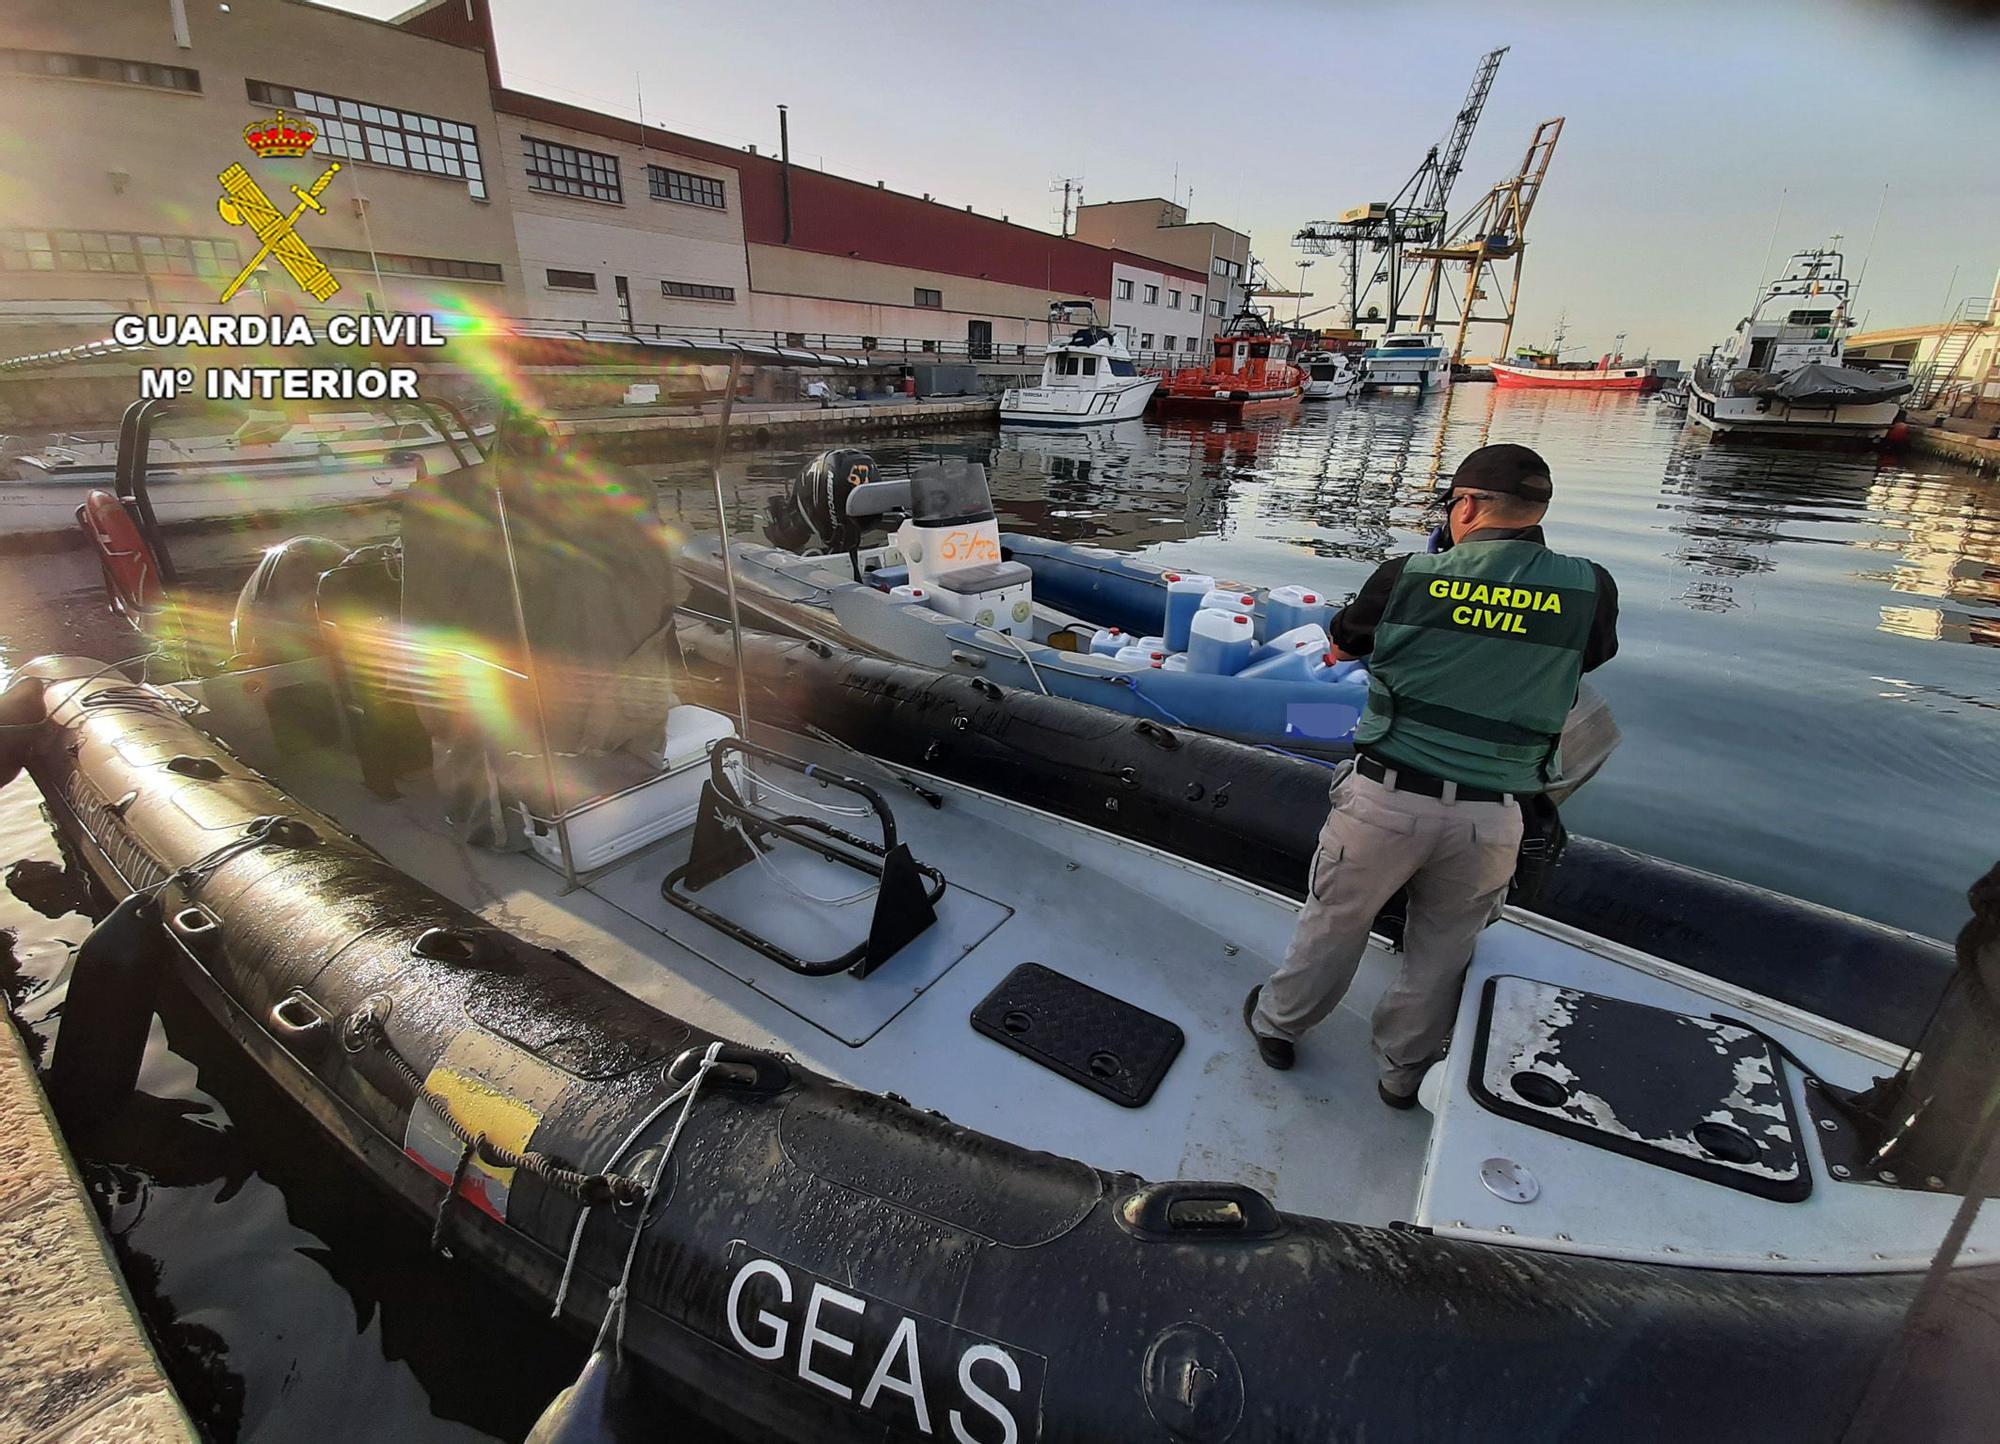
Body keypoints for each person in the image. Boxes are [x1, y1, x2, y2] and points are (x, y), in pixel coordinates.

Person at [1243, 443, 1619, 1107]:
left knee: (1335, 922)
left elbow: (1346, 640)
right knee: (1444, 952)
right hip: (1493, 816)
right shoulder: (1591, 588)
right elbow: (1589, 657)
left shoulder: (1407, 576)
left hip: (1386, 800)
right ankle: (1400, 1071)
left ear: (1467, 506)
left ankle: (1280, 1026)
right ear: (1539, 511)